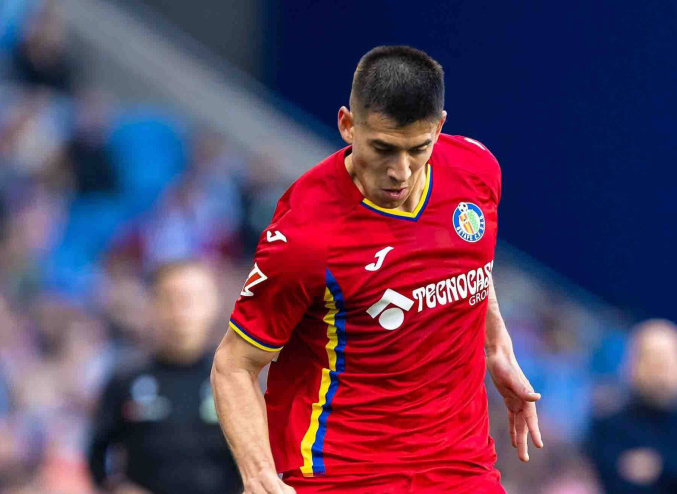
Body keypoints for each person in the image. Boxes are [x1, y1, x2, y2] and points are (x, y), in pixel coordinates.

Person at [211, 45, 543, 494]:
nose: (400, 171)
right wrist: (259, 476)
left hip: (462, 467)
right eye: (383, 149)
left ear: (440, 128)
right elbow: (234, 364)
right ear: (347, 124)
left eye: (418, 149)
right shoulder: (306, 234)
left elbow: (471, 262)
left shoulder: (476, 170)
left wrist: (496, 344)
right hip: (343, 474)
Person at [88, 261, 242, 494]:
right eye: (171, 299)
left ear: (214, 304)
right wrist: (117, 488)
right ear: (152, 305)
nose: (182, 311)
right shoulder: (125, 379)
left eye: (193, 299)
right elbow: (96, 455)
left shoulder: (236, 381)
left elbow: (261, 459)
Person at [585, 319, 677, 494]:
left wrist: (660, 469)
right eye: (651, 360)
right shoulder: (610, 421)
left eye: (667, 361)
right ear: (632, 364)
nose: (660, 372)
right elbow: (604, 473)